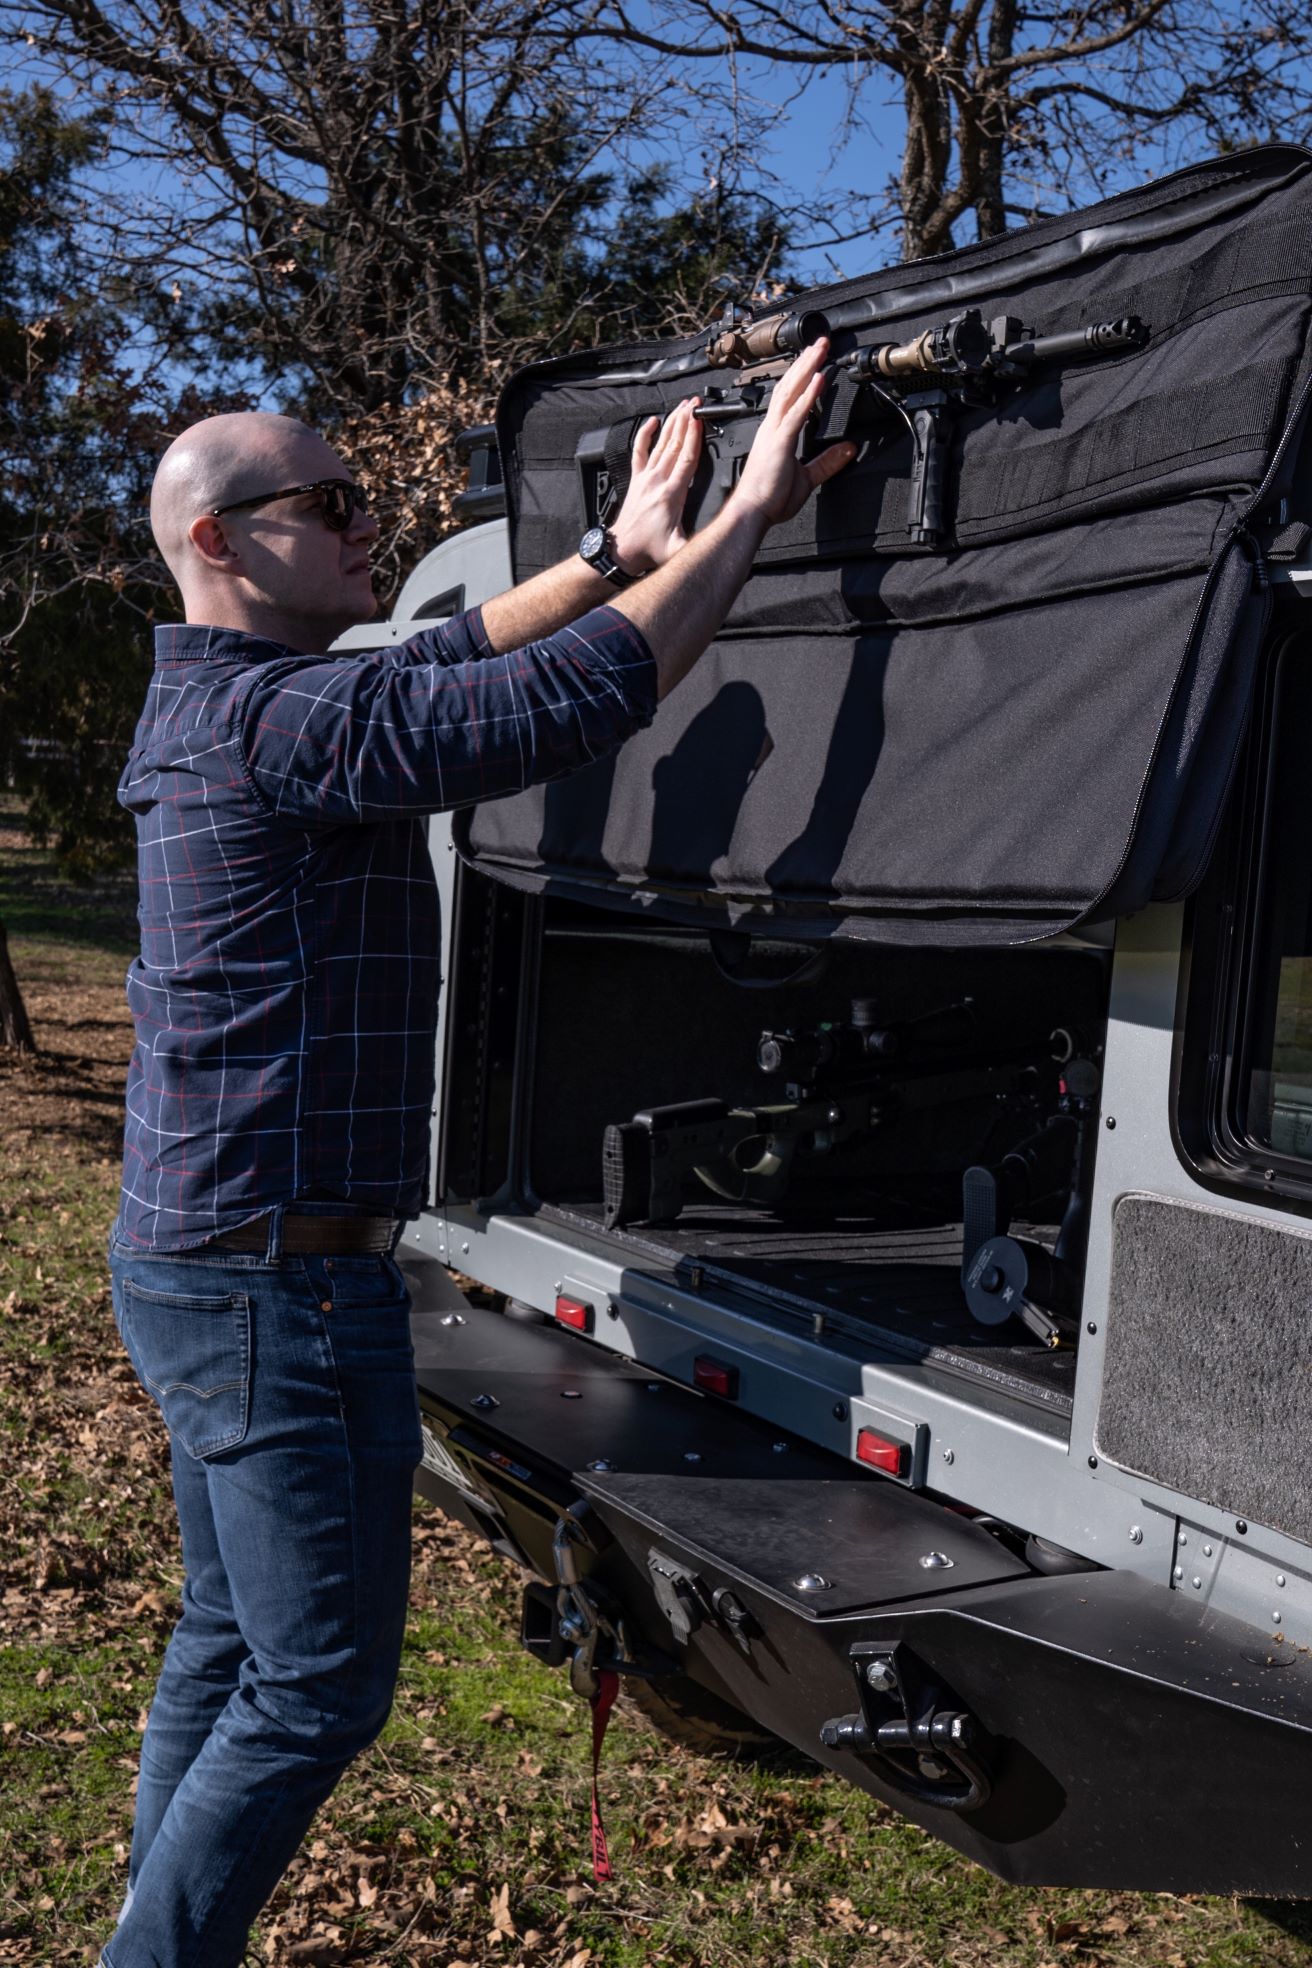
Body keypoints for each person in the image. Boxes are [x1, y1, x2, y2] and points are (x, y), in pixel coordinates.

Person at [102, 337, 853, 1967]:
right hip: (275, 1291)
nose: (370, 522)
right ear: (221, 541)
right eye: (331, 502)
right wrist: (750, 515)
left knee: (228, 1645)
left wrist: (607, 553)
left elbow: (427, 671)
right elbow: (555, 698)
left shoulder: (223, 703)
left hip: (202, 1259)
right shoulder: (278, 729)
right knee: (312, 1690)